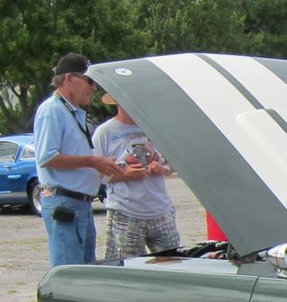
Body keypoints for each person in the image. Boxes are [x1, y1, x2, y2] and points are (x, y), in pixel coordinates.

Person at [32, 52, 126, 266]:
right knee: (71, 275)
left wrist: (104, 165)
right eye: (90, 80)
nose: (94, 87)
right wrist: (93, 162)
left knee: (84, 273)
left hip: (79, 204)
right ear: (69, 79)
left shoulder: (72, 112)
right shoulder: (52, 110)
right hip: (65, 204)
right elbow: (47, 157)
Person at [93, 95, 180, 258]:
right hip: (125, 212)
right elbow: (98, 175)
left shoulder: (155, 128)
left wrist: (162, 168)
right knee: (129, 268)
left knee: (173, 263)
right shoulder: (104, 133)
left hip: (161, 210)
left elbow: (173, 162)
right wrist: (125, 175)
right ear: (117, 103)